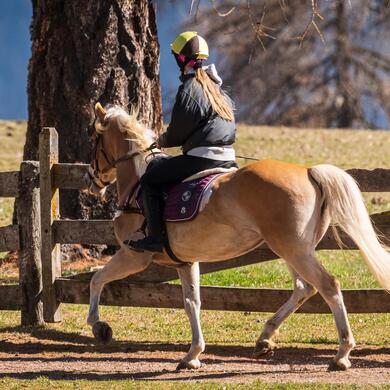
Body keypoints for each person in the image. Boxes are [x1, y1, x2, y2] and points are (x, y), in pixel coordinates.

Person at [126, 31, 237, 253]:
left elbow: (178, 131)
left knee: (150, 179)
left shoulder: (190, 88)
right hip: (228, 157)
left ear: (181, 58)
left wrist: (161, 141)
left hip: (202, 159)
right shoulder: (216, 87)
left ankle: (156, 238)